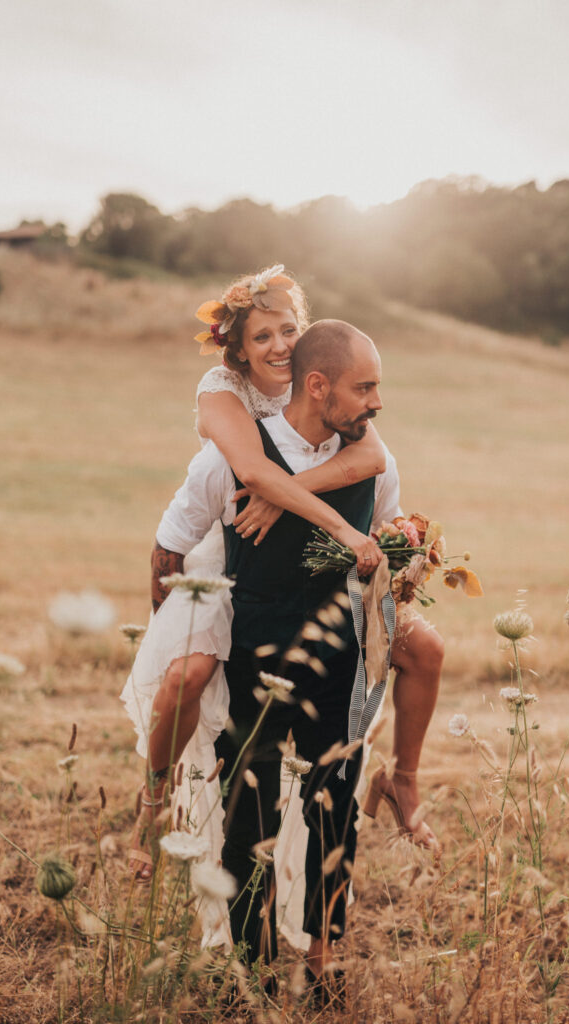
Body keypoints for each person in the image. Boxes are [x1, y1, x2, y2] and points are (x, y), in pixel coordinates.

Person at [121, 266, 443, 883]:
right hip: (229, 556)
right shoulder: (222, 393)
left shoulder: (327, 386)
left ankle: (399, 780)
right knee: (187, 674)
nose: (279, 346)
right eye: (262, 336)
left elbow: (374, 455)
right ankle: (153, 800)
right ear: (237, 348)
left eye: (289, 330)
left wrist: (299, 500)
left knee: (424, 645)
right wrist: (164, 619)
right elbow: (249, 475)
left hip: (310, 561)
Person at [151, 318, 400, 986]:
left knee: (335, 804)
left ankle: (321, 964)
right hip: (252, 657)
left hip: (340, 660)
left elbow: (383, 550)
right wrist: (175, 640)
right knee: (247, 812)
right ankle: (249, 967)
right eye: (365, 387)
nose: (377, 402)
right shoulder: (229, 457)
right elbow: (170, 544)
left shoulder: (377, 463)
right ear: (318, 386)